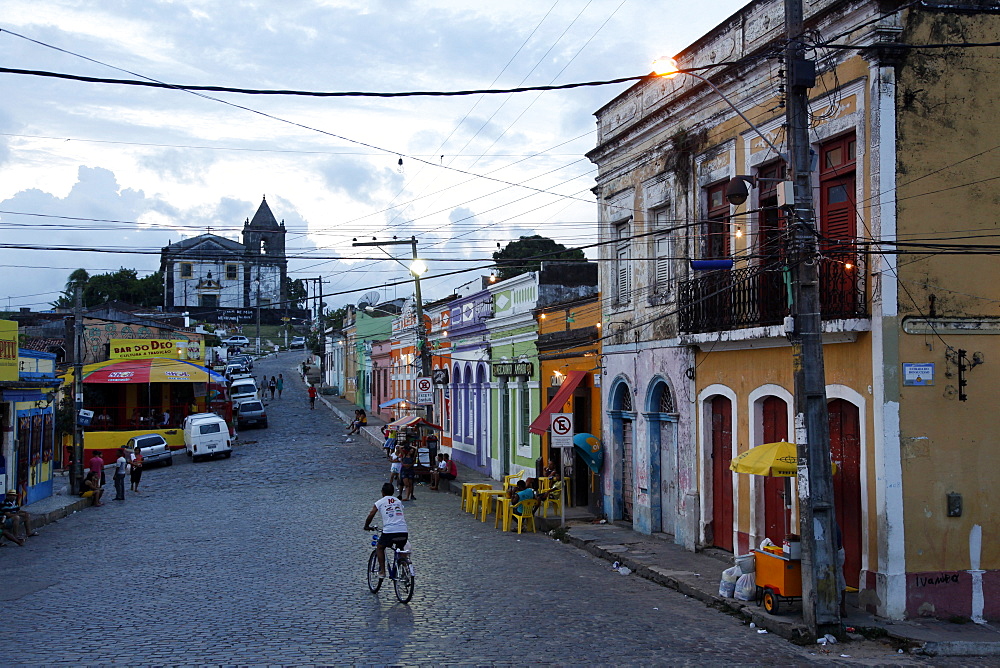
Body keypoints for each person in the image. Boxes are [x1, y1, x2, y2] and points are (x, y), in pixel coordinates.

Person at [363, 482, 410, 579]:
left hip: (390, 531)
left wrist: (367, 526)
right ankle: (405, 567)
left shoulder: (380, 502)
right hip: (403, 531)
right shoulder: (398, 501)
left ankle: (382, 571)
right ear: (392, 492)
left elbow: (371, 514)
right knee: (400, 547)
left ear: (382, 492)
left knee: (380, 547)